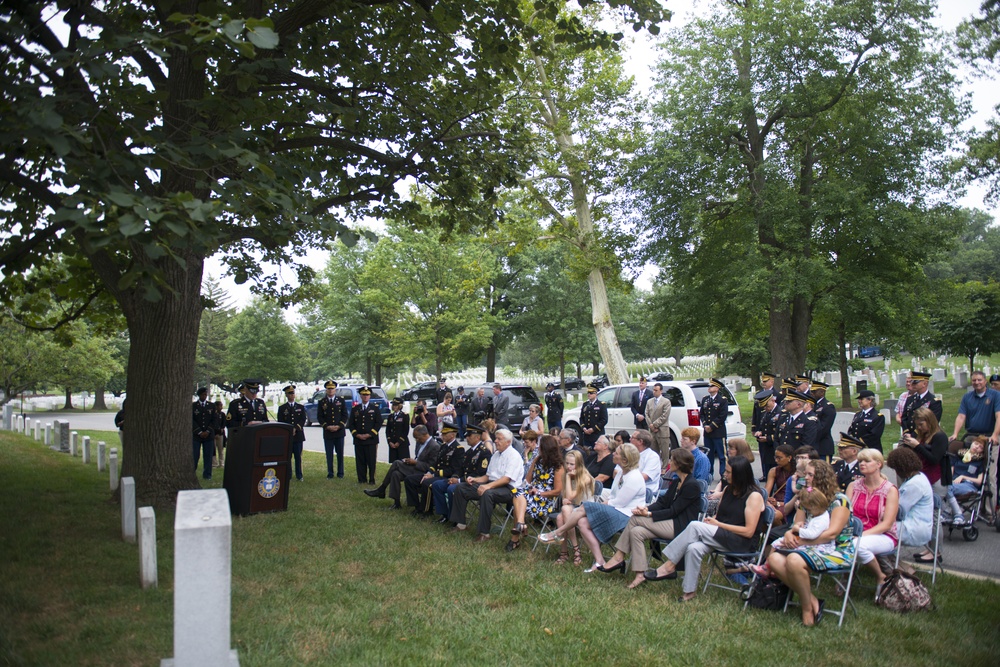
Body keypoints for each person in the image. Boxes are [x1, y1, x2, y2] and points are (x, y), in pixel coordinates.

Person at [642, 456, 765, 602]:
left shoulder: (754, 496)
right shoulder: (728, 490)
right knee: (694, 548)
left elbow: (749, 531)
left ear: (740, 474)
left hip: (741, 542)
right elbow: (719, 518)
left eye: (728, 472)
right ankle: (689, 591)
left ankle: (669, 565)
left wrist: (717, 525)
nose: (724, 475)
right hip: (722, 536)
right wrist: (711, 522)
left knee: (695, 525)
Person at [765, 459, 854, 626]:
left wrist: (801, 541)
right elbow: (795, 525)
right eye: (805, 473)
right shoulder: (808, 496)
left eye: (810, 474)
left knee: (793, 560)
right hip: (808, 545)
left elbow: (832, 534)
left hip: (837, 550)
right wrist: (790, 534)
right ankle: (812, 600)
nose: (805, 477)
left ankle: (806, 608)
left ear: (821, 477)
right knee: (774, 559)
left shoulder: (839, 500)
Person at [597, 448, 702, 589]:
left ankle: (619, 556)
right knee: (636, 532)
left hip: (681, 526)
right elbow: (662, 502)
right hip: (670, 522)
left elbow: (674, 511)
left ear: (679, 463)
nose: (669, 462)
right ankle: (640, 574)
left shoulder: (692, 485)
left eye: (671, 460)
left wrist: (647, 514)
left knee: (635, 519)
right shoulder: (677, 482)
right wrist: (646, 508)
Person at [539, 444, 647, 572]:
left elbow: (619, 503)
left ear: (625, 459)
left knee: (586, 506)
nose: (613, 454)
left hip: (627, 516)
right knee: (582, 522)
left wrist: (598, 507)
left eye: (616, 453)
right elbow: (613, 497)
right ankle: (599, 561)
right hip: (616, 510)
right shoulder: (620, 474)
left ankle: (557, 533)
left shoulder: (634, 477)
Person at [448, 428, 524, 540]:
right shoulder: (496, 455)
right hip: (491, 484)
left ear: (508, 442)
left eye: (499, 439)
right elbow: (488, 476)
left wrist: (487, 486)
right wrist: (475, 480)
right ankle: (460, 524)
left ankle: (484, 533)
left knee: (487, 493)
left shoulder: (514, 456)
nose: (495, 441)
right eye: (495, 438)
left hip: (509, 489)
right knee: (460, 488)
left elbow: (506, 479)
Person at [847, 448, 899, 598]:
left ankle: (880, 576)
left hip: (883, 535)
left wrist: (860, 535)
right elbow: (845, 514)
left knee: (857, 545)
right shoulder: (853, 486)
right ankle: (845, 577)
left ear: (878, 464)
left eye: (867, 461)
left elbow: (887, 524)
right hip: (854, 532)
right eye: (860, 461)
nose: (862, 464)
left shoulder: (890, 490)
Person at [751, 486, 833, 579]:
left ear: (815, 506)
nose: (808, 512)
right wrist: (803, 524)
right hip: (807, 540)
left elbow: (812, 534)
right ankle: (768, 567)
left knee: (780, 544)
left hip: (814, 545)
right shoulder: (818, 515)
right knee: (777, 543)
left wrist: (798, 529)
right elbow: (811, 527)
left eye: (809, 509)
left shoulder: (822, 519)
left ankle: (770, 568)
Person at [506, 434, 565, 551]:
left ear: (546, 448)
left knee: (518, 498)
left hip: (545, 500)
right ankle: (521, 523)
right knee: (516, 492)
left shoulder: (558, 467)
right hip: (531, 494)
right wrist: (527, 488)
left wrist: (539, 493)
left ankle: (516, 537)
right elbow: (527, 480)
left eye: (540, 446)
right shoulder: (538, 460)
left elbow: (557, 491)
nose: (538, 448)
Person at [364, 423, 440, 507]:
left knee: (396, 463)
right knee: (395, 474)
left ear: (425, 434)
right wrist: (410, 461)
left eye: (417, 438)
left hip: (423, 472)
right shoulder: (420, 443)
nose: (417, 440)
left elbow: (431, 466)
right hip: (414, 469)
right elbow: (418, 457)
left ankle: (381, 489)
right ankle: (396, 503)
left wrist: (415, 463)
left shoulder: (434, 446)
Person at [431, 424, 491, 523]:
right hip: (461, 479)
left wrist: (458, 480)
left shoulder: (484, 452)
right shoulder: (468, 452)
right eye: (466, 436)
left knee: (451, 489)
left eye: (469, 436)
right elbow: (460, 468)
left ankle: (454, 518)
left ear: (477, 437)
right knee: (437, 485)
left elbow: (479, 473)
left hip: (474, 482)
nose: (467, 438)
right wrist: (454, 477)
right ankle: (445, 514)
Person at [405, 424, 464, 515]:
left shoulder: (458, 449)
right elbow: (436, 464)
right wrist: (429, 472)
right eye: (442, 434)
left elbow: (453, 469)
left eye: (445, 434)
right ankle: (417, 506)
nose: (442, 436)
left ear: (452, 435)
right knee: (409, 480)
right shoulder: (444, 446)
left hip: (444, 477)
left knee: (427, 483)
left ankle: (427, 510)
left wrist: (433, 475)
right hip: (435, 474)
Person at [886, 446, 934, 549]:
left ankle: (887, 562)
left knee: (874, 528)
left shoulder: (915, 484)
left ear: (901, 467)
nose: (896, 473)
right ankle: (889, 560)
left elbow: (898, 511)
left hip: (913, 528)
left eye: (896, 469)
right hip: (911, 524)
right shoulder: (919, 476)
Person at [553, 450, 595, 565]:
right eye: (567, 463)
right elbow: (566, 498)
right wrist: (567, 499)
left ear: (579, 464)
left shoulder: (585, 477)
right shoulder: (567, 474)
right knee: (560, 517)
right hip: (574, 507)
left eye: (572, 464)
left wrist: (567, 478)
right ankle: (568, 551)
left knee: (564, 511)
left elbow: (570, 496)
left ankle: (572, 550)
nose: (568, 466)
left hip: (587, 508)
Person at [901, 406, 951, 496]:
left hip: (936, 479)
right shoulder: (922, 435)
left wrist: (917, 446)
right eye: (917, 425)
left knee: (936, 506)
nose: (919, 428)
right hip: (922, 477)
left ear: (930, 422)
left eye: (921, 424)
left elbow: (934, 460)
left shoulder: (940, 436)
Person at [951, 371, 1000, 445]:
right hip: (971, 436)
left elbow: (998, 416)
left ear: (985, 381)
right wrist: (955, 434)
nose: (977, 382)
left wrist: (995, 435)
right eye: (974, 380)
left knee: (991, 456)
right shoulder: (967, 397)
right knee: (967, 456)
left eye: (979, 380)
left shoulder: (996, 395)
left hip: (990, 436)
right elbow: (961, 416)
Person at [945, 437, 986, 524]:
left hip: (969, 485)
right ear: (971, 443)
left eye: (980, 447)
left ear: (982, 451)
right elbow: (950, 473)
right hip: (954, 483)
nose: (976, 447)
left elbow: (979, 481)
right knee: (941, 487)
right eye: (976, 443)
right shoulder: (958, 457)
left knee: (947, 488)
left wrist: (963, 477)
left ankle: (957, 514)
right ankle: (946, 512)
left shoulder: (979, 462)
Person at [350, 386, 384, 485]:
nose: (365, 397)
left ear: (370, 396)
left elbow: (378, 423)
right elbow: (351, 424)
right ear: (360, 396)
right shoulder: (355, 409)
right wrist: (356, 435)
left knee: (371, 461)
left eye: (367, 395)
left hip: (371, 440)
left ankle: (372, 479)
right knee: (360, 461)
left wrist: (369, 434)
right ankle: (361, 479)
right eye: (363, 395)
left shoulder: (375, 408)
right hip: (359, 440)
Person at [317, 380, 347, 479]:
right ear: (326, 390)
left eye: (332, 388)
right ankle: (330, 473)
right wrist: (327, 426)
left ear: (335, 390)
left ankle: (340, 473)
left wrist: (339, 426)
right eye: (328, 389)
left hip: (339, 432)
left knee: (340, 453)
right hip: (328, 432)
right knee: (329, 454)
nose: (330, 390)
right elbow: (320, 417)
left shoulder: (341, 401)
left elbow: (345, 415)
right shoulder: (322, 402)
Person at [700, 378, 728, 479]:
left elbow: (722, 416)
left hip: (718, 432)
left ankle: (724, 474)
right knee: (709, 455)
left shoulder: (722, 400)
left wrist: (711, 426)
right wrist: (705, 425)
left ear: (716, 388)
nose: (709, 388)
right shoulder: (705, 399)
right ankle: (709, 473)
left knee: (722, 455)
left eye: (711, 386)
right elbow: (702, 414)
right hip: (707, 433)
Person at [277, 385, 307, 481]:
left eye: (293, 393)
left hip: (298, 436)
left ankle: (299, 475)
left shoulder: (300, 407)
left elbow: (303, 419)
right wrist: (289, 430)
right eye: (289, 393)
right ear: (286, 395)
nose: (292, 395)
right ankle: (288, 475)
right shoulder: (282, 408)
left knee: (298, 457)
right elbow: (281, 421)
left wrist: (296, 428)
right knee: (288, 457)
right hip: (288, 436)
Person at [900, 371, 942, 437]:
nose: (912, 384)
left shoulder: (934, 402)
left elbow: (931, 422)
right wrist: (906, 432)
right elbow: (904, 417)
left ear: (924, 384)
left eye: (915, 382)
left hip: (924, 437)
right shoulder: (910, 399)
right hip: (908, 436)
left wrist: (914, 435)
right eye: (912, 382)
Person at [764, 445, 796, 524]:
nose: (776, 460)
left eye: (779, 458)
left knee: (774, 516)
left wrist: (779, 503)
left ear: (789, 458)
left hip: (790, 502)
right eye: (775, 457)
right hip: (775, 501)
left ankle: (778, 533)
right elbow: (766, 492)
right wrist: (768, 500)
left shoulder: (798, 473)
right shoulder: (774, 471)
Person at [751, 389, 778, 480]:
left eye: (766, 406)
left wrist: (768, 438)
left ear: (773, 400)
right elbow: (764, 427)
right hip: (766, 448)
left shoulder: (780, 413)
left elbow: (780, 433)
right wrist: (760, 432)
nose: (765, 408)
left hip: (774, 446)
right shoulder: (766, 413)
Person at [630, 429, 662, 498]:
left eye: (632, 438)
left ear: (640, 441)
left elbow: (644, 477)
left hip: (643, 494)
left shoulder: (652, 457)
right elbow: (616, 472)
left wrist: (625, 478)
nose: (630, 439)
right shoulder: (629, 453)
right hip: (627, 490)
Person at [192, 387, 215, 480]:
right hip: (196, 435)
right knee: (195, 455)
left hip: (208, 435)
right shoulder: (193, 406)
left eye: (205, 394)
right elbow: (191, 420)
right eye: (202, 394)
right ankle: (192, 473)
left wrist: (208, 431)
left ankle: (207, 474)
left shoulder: (211, 405)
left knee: (208, 456)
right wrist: (199, 431)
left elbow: (214, 419)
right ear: (199, 395)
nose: (204, 396)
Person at [810, 380, 836, 460]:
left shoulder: (828, 407)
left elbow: (824, 428)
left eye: (814, 392)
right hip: (813, 447)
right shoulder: (813, 405)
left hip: (823, 447)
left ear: (822, 393)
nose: (812, 394)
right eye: (811, 391)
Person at [645, 382, 672, 460]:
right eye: (653, 390)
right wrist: (651, 425)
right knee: (653, 450)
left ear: (661, 391)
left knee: (664, 451)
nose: (654, 392)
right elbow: (646, 414)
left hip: (662, 430)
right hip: (652, 430)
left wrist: (655, 425)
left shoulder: (666, 402)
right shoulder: (649, 401)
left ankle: (664, 467)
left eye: (656, 390)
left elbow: (665, 415)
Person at [580, 385, 608, 451]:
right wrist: (584, 428)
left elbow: (604, 420)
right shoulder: (585, 404)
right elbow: (581, 418)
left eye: (591, 393)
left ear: (596, 394)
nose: (589, 394)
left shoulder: (601, 405)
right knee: (586, 453)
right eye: (588, 393)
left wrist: (593, 429)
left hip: (597, 434)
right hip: (587, 435)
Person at [385, 397, 411, 463]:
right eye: (393, 405)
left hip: (402, 443)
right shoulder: (390, 416)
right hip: (392, 442)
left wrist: (399, 442)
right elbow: (387, 430)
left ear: (400, 406)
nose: (394, 407)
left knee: (403, 462)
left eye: (396, 405)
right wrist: (389, 441)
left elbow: (406, 431)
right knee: (394, 462)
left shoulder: (405, 416)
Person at [211, 400, 226, 468]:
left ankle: (221, 463)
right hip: (213, 434)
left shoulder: (222, 414)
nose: (221, 407)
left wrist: (221, 429)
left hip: (220, 434)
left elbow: (223, 423)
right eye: (220, 406)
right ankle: (214, 463)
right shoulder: (212, 414)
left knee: (221, 449)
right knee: (213, 449)